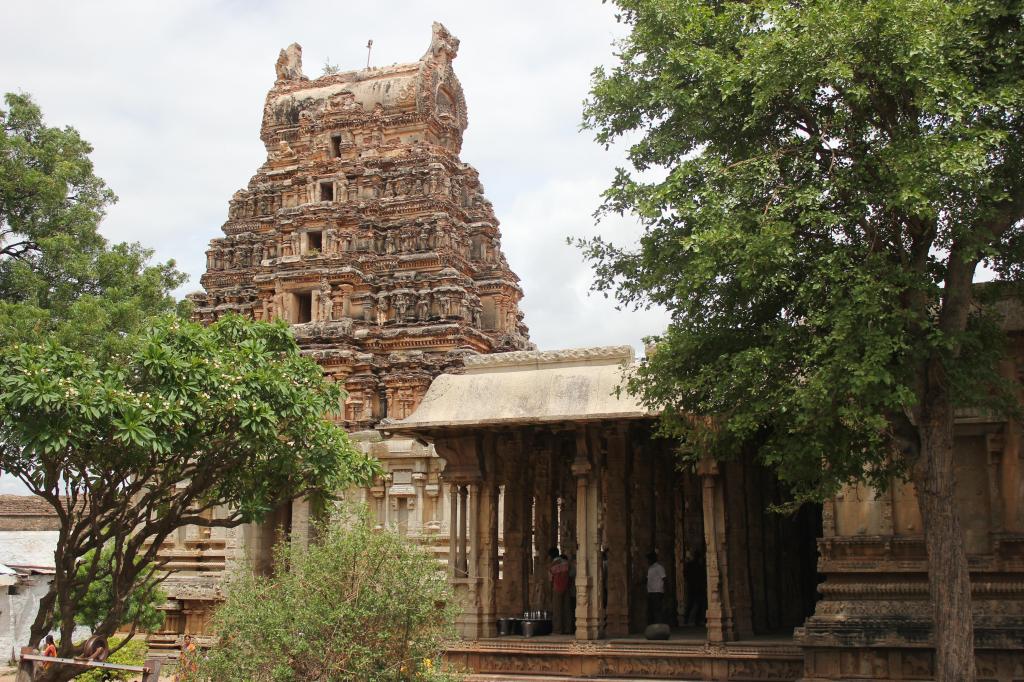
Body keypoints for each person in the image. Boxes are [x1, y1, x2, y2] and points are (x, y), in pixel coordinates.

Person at [548, 547, 572, 635]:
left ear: (551, 556)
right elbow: (571, 574)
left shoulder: (552, 565)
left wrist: (551, 590)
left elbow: (551, 579)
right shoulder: (566, 563)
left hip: (557, 588)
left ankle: (557, 630)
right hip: (566, 587)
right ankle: (568, 629)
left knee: (557, 610)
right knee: (566, 609)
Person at [683, 548, 708, 626]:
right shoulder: (698, 566)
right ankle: (695, 620)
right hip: (696, 586)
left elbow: (685, 574)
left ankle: (690, 620)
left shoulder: (694, 565)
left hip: (694, 586)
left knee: (694, 603)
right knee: (695, 603)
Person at [646, 551, 666, 625]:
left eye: (649, 559)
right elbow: (648, 579)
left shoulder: (659, 567)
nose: (648, 561)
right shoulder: (650, 568)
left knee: (657, 610)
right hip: (651, 591)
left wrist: (665, 590)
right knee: (652, 610)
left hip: (657, 591)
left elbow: (664, 578)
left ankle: (659, 625)